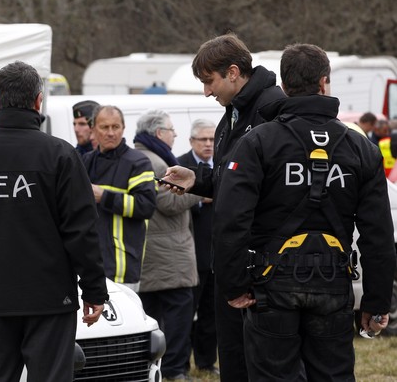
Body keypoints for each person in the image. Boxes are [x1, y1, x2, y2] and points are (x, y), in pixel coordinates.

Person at [213, 43, 396, 380]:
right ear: (325, 82)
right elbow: (379, 234)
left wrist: (234, 285)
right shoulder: (360, 147)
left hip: (271, 287)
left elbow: (229, 220)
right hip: (332, 284)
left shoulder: (258, 142)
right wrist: (377, 301)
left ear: (283, 86)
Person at [0, 61, 108, 382]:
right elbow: (81, 231)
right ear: (38, 101)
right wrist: (94, 290)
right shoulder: (60, 155)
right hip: (51, 299)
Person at [160, 33, 286, 381]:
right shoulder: (233, 113)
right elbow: (236, 178)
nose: (206, 92)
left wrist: (241, 278)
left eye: (208, 82)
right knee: (233, 363)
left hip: (262, 267)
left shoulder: (271, 111)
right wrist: (198, 179)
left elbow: (263, 190)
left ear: (233, 72)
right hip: (232, 263)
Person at [133, 109, 201, 380]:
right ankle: (173, 369)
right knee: (177, 317)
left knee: (151, 315)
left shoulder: (138, 155)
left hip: (151, 254)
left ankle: (153, 369)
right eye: (172, 131)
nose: (174, 136)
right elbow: (169, 202)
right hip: (169, 256)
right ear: (159, 133)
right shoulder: (157, 163)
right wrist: (199, 192)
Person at [82, 105, 157, 292]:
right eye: (104, 127)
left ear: (123, 128)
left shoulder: (138, 162)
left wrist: (104, 197)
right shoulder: (85, 161)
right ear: (93, 129)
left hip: (123, 266)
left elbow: (146, 206)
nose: (110, 133)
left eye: (115, 127)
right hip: (91, 264)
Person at [177, 118, 218, 375]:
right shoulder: (181, 165)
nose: (208, 144)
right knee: (185, 315)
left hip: (216, 253)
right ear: (191, 141)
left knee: (211, 314)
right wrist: (200, 198)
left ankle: (205, 361)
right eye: (203, 139)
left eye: (212, 139)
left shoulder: (221, 166)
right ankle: (180, 364)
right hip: (190, 253)